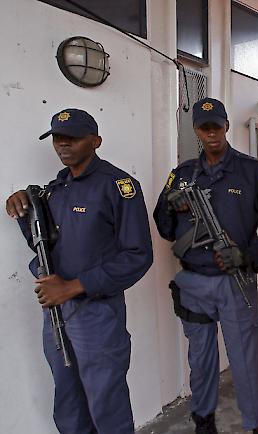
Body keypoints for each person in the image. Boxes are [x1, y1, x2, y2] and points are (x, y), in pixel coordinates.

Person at [5, 108, 153, 434]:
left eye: (72, 137)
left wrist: (74, 286)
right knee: (68, 398)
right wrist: (22, 206)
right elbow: (43, 245)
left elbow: (138, 255)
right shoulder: (55, 190)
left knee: (106, 402)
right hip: (56, 310)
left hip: (96, 313)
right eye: (57, 137)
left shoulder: (118, 186)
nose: (63, 144)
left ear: (96, 141)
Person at [153, 97, 258, 434]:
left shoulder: (254, 172)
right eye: (204, 127)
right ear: (197, 130)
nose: (211, 133)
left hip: (235, 283)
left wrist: (247, 255)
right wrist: (173, 205)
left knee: (245, 363)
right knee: (200, 360)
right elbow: (164, 226)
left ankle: (257, 425)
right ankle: (204, 421)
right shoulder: (182, 174)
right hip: (194, 284)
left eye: (217, 126)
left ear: (226, 126)